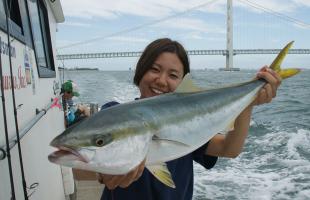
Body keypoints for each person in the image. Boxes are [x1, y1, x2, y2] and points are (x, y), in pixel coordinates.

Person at [93, 38, 281, 200]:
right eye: (154, 69)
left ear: (183, 85)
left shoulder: (189, 129)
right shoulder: (113, 112)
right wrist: (104, 175)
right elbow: (94, 154)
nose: (161, 80)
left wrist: (248, 103)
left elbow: (228, 149)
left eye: (173, 75)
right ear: (140, 71)